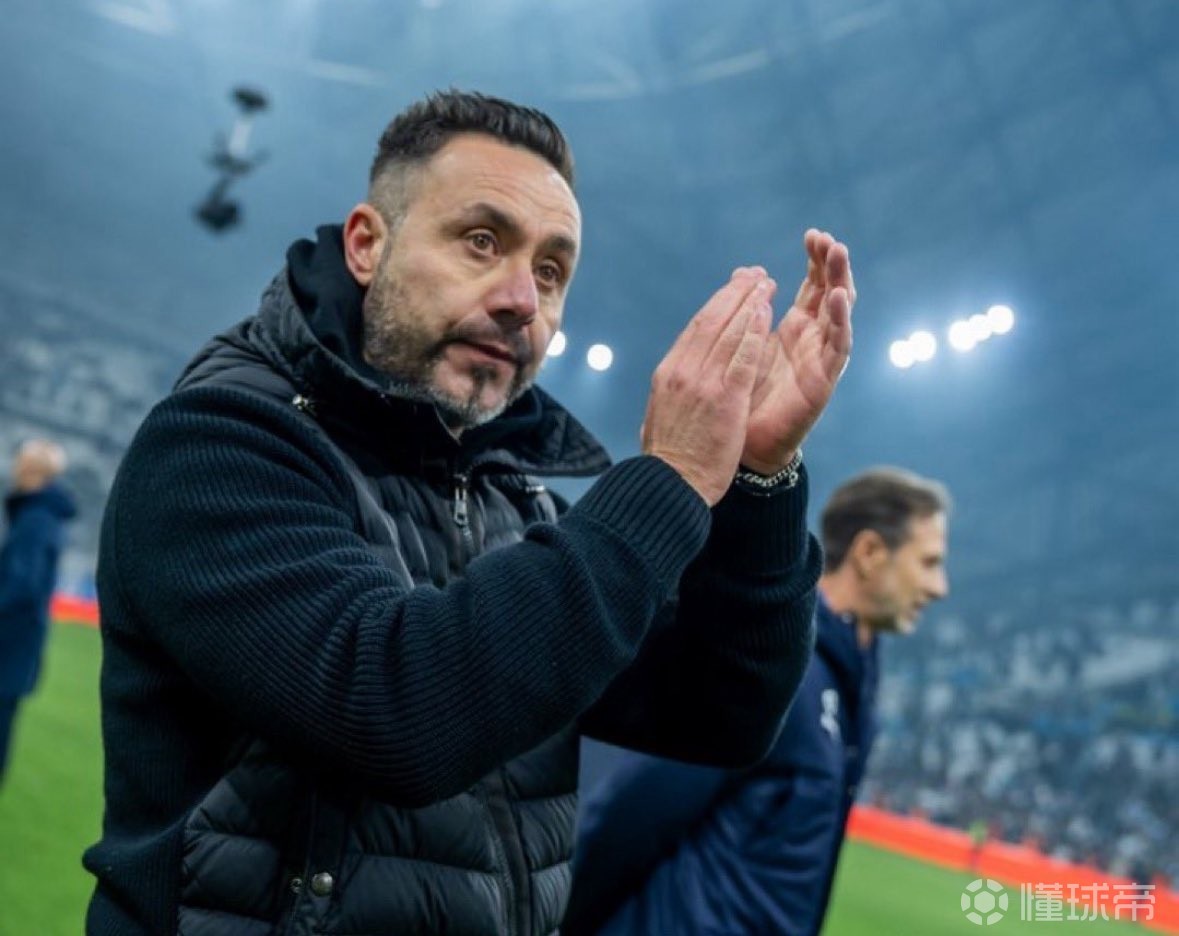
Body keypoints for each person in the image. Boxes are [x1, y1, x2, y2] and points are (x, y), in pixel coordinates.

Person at [83, 89, 857, 935]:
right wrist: (668, 478)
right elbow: (397, 713)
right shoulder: (220, 444)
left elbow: (719, 712)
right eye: (481, 241)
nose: (522, 297)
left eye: (551, 272)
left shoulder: (506, 495)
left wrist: (756, 480)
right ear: (367, 245)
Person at [564, 467, 951, 936]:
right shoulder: (777, 669)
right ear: (869, 552)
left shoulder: (849, 685)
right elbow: (636, 808)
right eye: (928, 563)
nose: (939, 587)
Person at [0, 438, 76, 786]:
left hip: (8, 644)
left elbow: (21, 585)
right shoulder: (44, 517)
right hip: (19, 644)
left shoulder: (35, 519)